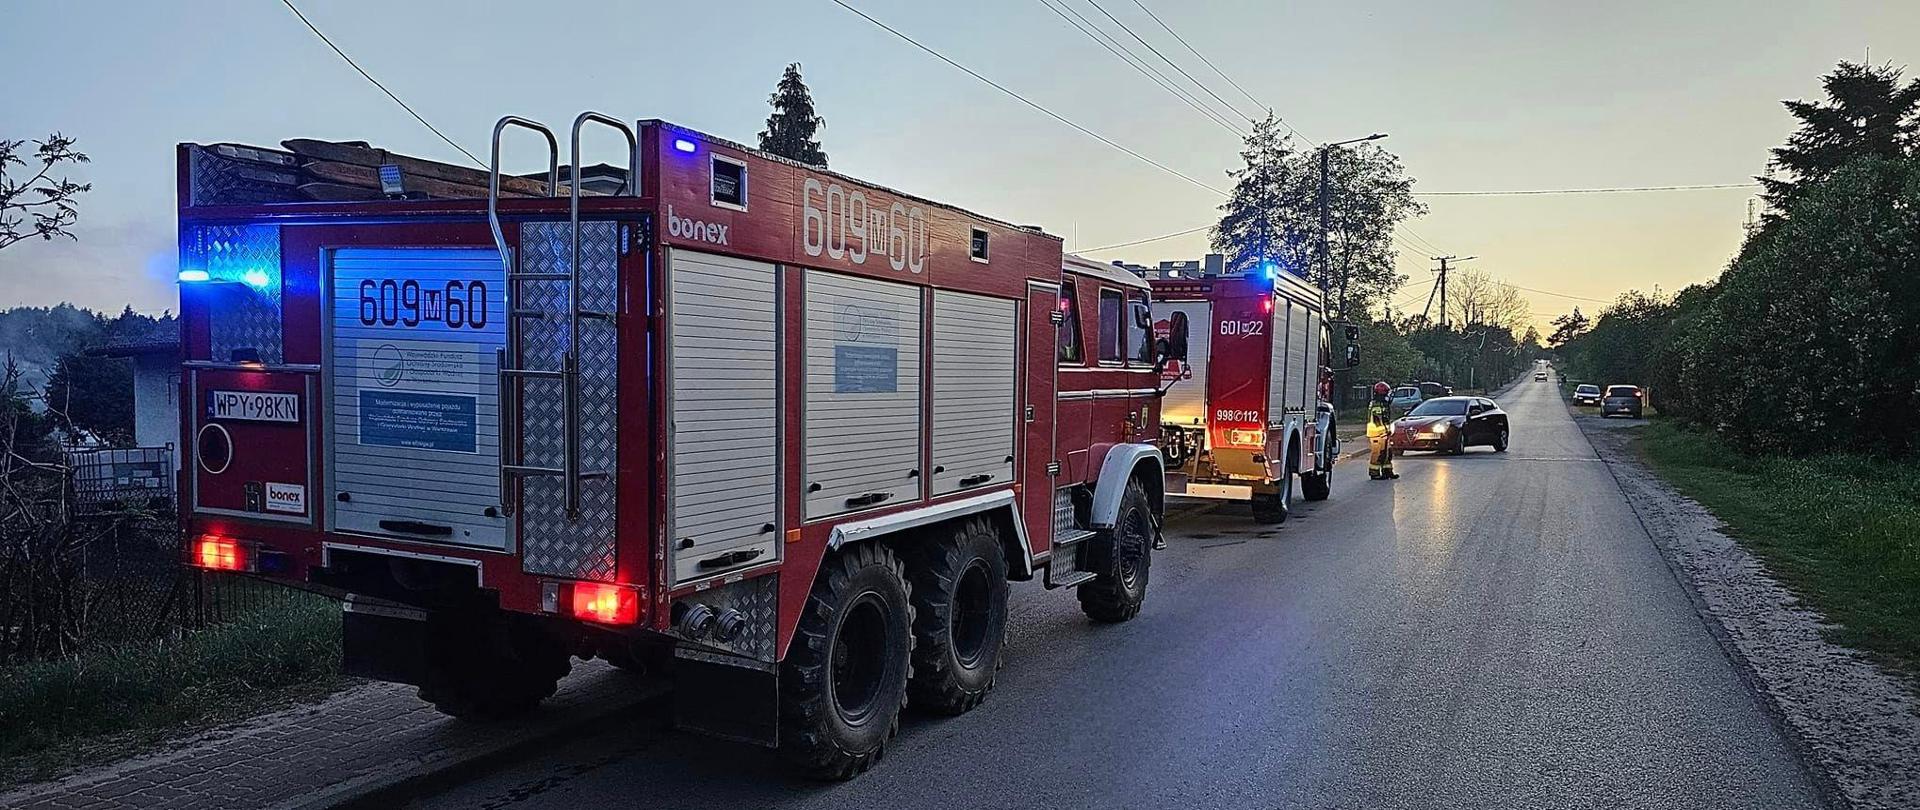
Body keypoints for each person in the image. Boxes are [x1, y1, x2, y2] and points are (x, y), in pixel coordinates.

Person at [1366, 381, 1399, 480]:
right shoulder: (1377, 405)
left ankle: (1387, 471)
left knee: (1387, 453)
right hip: (1377, 433)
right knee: (1377, 453)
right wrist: (1383, 432)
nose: (1388, 395)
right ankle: (1374, 472)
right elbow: (1378, 420)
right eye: (1387, 393)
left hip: (1384, 433)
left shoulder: (1382, 404)